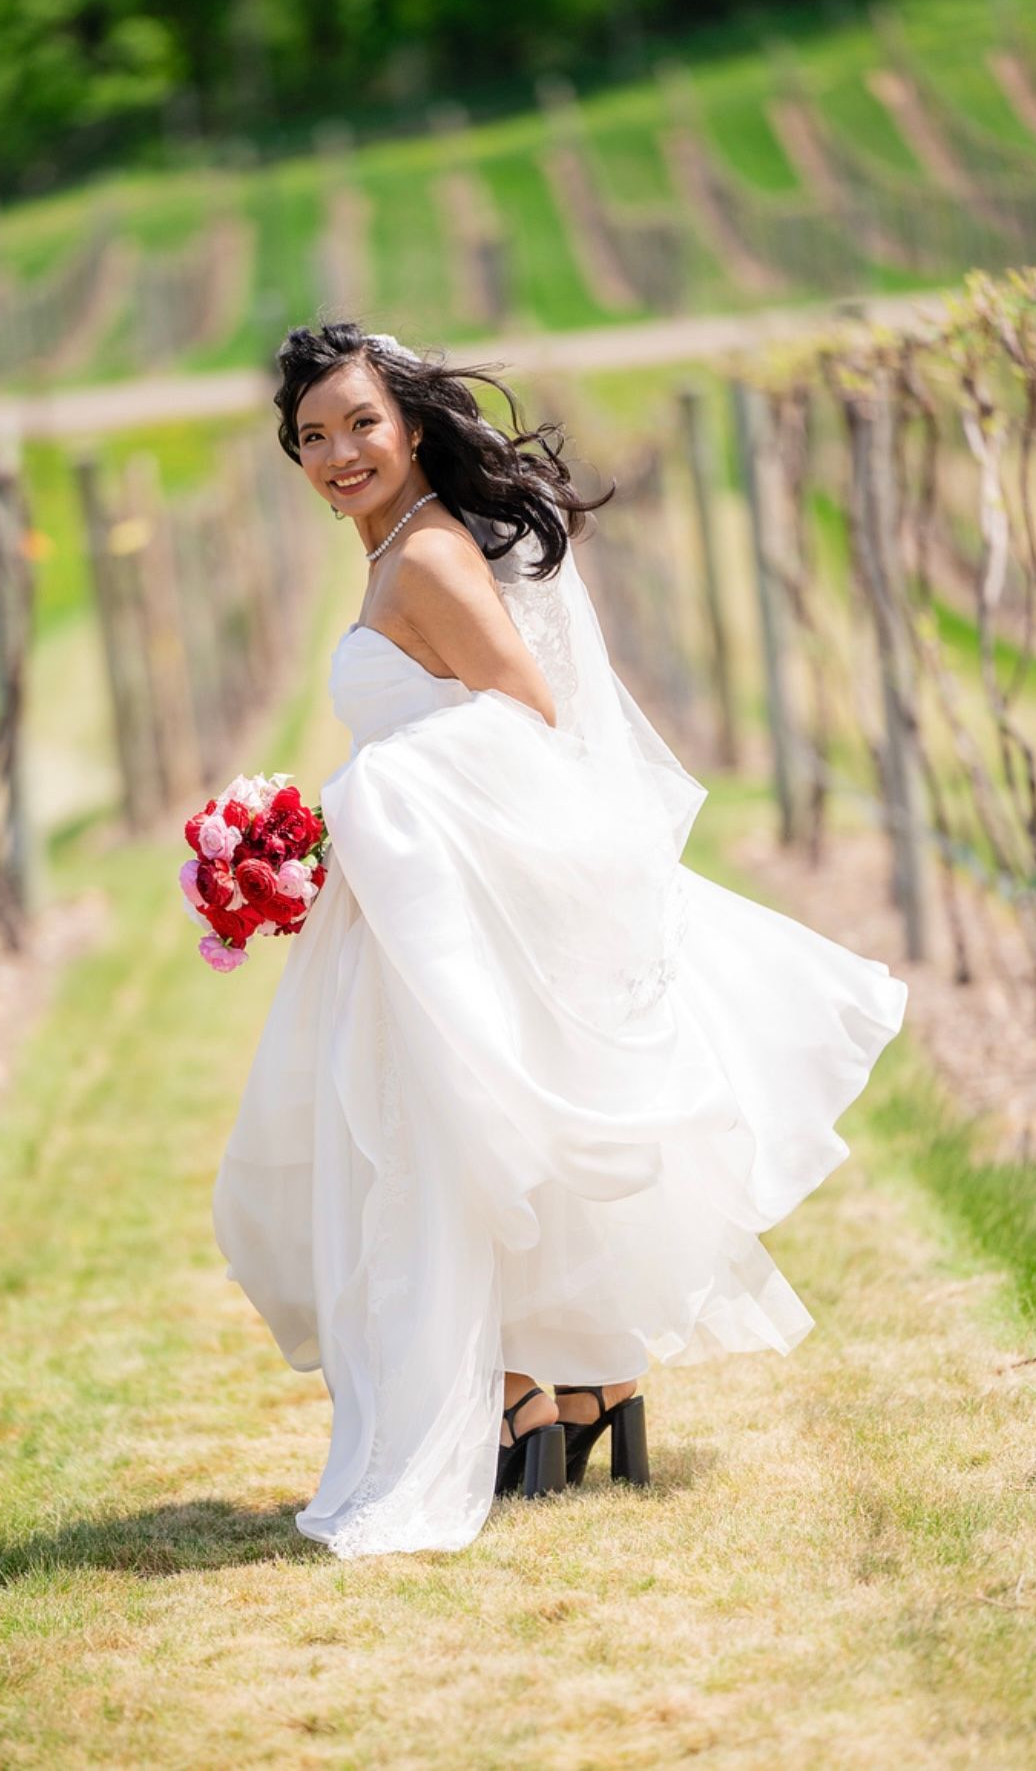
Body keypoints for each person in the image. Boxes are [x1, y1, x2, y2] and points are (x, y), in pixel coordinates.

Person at [212, 321, 908, 1559]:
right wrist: (311, 840)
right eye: (310, 435)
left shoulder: (423, 556)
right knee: (442, 1160)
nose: (335, 452)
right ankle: (589, 1392)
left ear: (411, 424)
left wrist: (372, 806)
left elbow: (526, 720)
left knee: (424, 1165)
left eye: (358, 423)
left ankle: (528, 1397)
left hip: (449, 911)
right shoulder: (399, 551)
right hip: (421, 910)